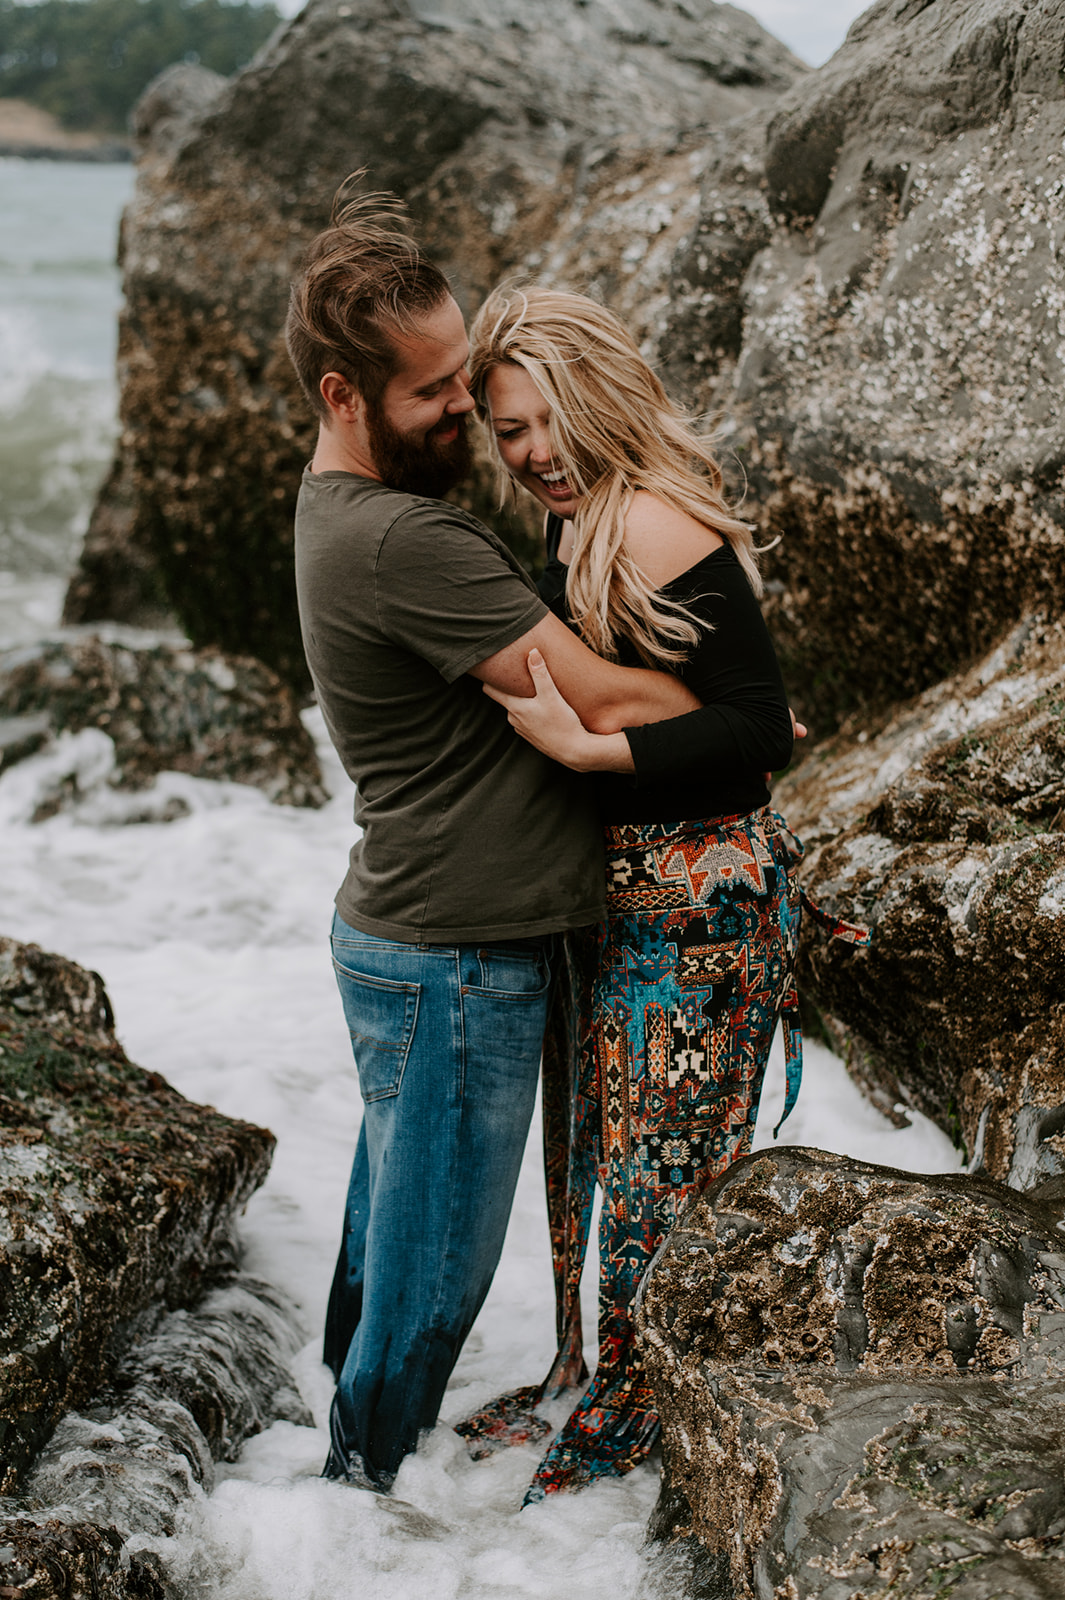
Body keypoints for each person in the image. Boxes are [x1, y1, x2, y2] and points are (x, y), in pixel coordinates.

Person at [284, 186, 704, 1492]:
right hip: (457, 963)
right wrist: (726, 711)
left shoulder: (336, 512)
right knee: (431, 1290)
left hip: (411, 942)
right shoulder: (407, 540)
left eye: (467, 377)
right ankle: (354, 1514)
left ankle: (324, 1486)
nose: (464, 410)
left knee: (384, 1254)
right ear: (345, 395)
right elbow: (594, 696)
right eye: (433, 393)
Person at [456, 286, 867, 1502]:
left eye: (546, 421)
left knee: (661, 1185)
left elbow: (759, 734)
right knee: (611, 1164)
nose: (533, 453)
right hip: (631, 900)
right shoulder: (577, 524)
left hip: (703, 907)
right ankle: (599, 1383)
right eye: (508, 431)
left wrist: (595, 753)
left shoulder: (653, 526)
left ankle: (644, 1432)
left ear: (598, 399)